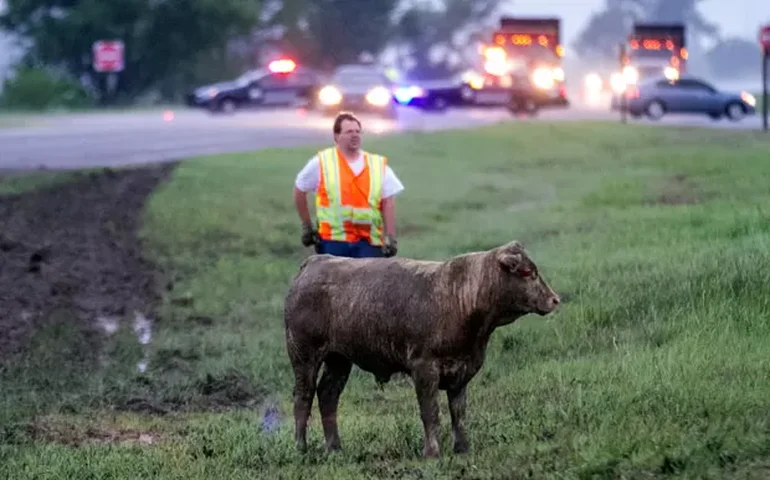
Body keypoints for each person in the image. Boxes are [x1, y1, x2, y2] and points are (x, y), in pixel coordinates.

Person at [293, 111, 404, 258]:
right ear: (336, 137)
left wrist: (390, 237)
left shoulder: (377, 164)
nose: (355, 135)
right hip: (333, 242)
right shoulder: (322, 162)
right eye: (349, 132)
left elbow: (388, 202)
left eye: (358, 131)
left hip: (369, 242)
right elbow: (300, 190)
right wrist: (307, 226)